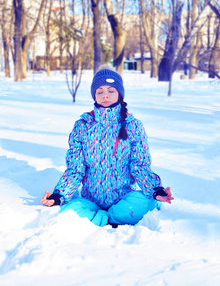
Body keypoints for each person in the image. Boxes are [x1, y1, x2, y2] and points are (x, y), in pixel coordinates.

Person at [40, 65, 174, 227]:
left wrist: (156, 190)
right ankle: (111, 218)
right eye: (100, 91)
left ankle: (103, 218)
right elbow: (75, 169)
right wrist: (58, 196)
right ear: (94, 95)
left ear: (119, 94)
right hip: (90, 200)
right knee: (67, 211)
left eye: (111, 90)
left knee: (148, 202)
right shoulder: (82, 126)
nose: (105, 95)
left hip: (124, 199)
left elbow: (140, 166)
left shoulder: (133, 126)